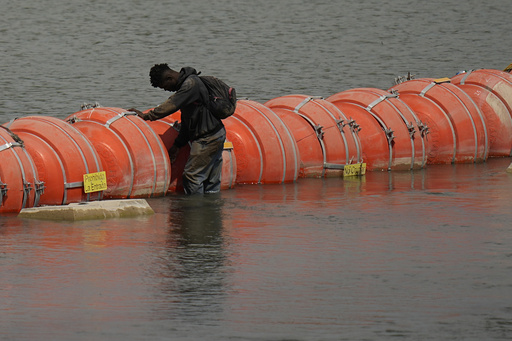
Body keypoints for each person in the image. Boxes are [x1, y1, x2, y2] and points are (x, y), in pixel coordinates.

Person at [129, 64, 226, 195]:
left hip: (207, 138)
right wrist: (178, 144)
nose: (167, 90)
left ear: (169, 78)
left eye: (165, 87)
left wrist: (147, 116)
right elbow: (187, 121)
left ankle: (195, 211)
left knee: (192, 177)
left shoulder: (190, 85)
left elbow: (172, 104)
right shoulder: (191, 84)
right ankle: (210, 210)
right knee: (211, 181)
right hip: (216, 134)